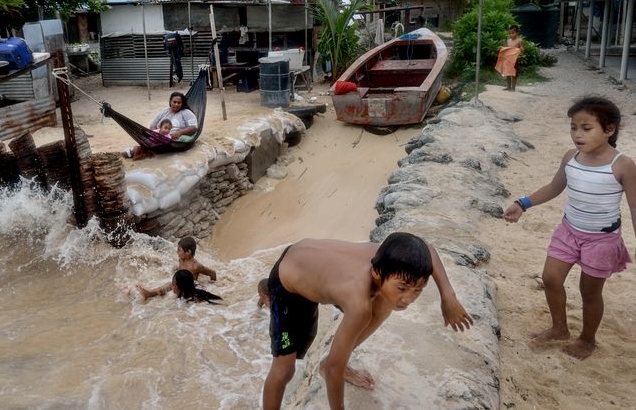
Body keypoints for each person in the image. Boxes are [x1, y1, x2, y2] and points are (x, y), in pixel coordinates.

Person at [262, 233, 473, 410]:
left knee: (384, 303)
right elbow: (333, 371)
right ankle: (268, 293)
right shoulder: (359, 304)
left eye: (417, 290)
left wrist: (448, 296)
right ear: (377, 272)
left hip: (314, 264)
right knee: (284, 370)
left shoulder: (391, 256)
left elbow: (426, 248)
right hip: (288, 286)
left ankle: (332, 358)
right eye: (402, 288)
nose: (408, 299)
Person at [503, 96, 635, 360]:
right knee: (550, 278)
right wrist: (523, 203)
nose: (577, 134)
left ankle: (587, 339)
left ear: (609, 129)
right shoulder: (570, 157)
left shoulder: (622, 165)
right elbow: (554, 187)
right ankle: (559, 328)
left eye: (586, 128)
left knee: (589, 292)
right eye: (573, 127)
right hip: (568, 231)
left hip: (602, 241)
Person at [125, 237, 217, 301]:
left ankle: (150, 294)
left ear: (188, 252)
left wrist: (212, 284)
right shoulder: (181, 259)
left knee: (171, 287)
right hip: (180, 285)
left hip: (188, 287)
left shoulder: (196, 266)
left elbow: (212, 273)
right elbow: (180, 269)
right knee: (170, 285)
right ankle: (149, 294)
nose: (177, 252)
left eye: (179, 250)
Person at [495, 24, 524, 92]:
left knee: (514, 74)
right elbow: (507, 49)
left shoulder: (519, 41)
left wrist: (520, 49)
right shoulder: (508, 41)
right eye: (510, 33)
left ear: (517, 33)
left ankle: (513, 88)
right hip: (508, 60)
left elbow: (522, 50)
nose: (511, 34)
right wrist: (501, 48)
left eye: (513, 33)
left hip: (515, 60)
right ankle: (508, 86)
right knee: (507, 73)